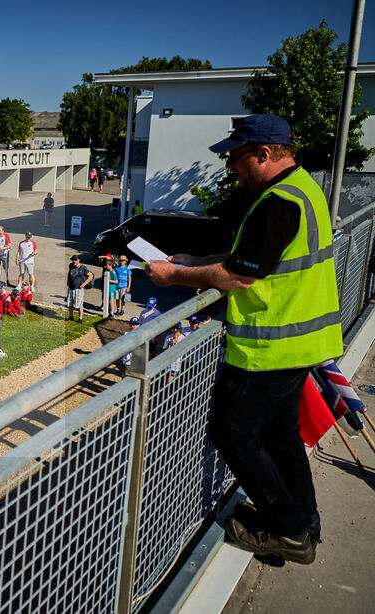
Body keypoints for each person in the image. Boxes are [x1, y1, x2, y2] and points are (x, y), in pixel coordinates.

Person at [144, 114, 343, 564]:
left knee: (231, 433)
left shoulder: (277, 203)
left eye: (235, 157)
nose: (230, 166)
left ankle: (290, 529)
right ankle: (304, 522)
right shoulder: (301, 189)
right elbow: (253, 258)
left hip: (268, 349)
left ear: (264, 154)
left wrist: (174, 273)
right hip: (298, 343)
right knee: (281, 436)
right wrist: (198, 259)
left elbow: (239, 276)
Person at [66, 255, 93, 322]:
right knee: (70, 303)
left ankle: (80, 318)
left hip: (78, 289)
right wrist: (68, 281)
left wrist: (84, 284)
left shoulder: (83, 267)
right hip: (71, 288)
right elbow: (69, 274)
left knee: (79, 304)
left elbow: (90, 276)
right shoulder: (71, 265)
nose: (74, 261)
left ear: (78, 260)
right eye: (73, 260)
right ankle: (70, 316)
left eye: (75, 260)